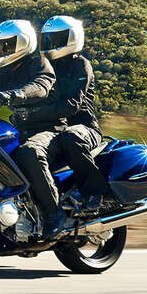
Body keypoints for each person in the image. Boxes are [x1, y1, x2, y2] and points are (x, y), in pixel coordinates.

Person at [0, 20, 63, 235]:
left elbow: (40, 87)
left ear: (23, 43)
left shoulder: (39, 63)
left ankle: (54, 213)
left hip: (49, 129)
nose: (1, 51)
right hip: (22, 130)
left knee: (29, 152)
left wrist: (15, 94)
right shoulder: (7, 72)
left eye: (6, 45)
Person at [32, 15, 110, 211]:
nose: (50, 44)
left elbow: (71, 105)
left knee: (71, 137)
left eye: (56, 39)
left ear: (73, 38)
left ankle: (94, 193)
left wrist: (37, 113)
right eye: (48, 39)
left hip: (85, 128)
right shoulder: (45, 67)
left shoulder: (80, 65)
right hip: (56, 128)